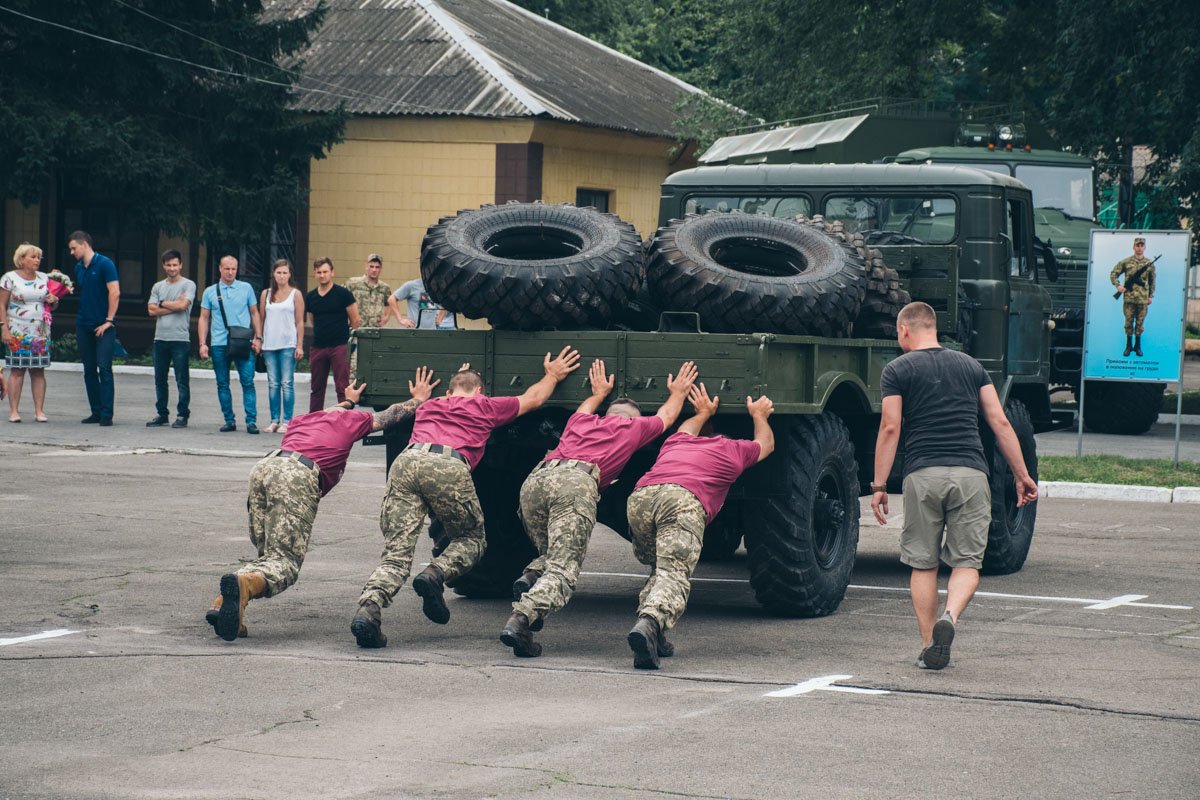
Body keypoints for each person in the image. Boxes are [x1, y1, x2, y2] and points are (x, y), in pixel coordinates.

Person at [351, 347, 581, 649]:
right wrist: (552, 374)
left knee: (396, 553)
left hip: (407, 461)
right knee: (471, 539)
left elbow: (399, 411)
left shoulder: (431, 404)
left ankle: (369, 610)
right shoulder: (485, 405)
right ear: (480, 390)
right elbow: (535, 398)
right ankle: (435, 573)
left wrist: (420, 395)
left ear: (448, 390)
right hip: (448, 464)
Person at [207, 369, 440, 642]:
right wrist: (417, 400)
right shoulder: (350, 421)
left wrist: (348, 401)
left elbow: (333, 411)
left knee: (268, 555)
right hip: (296, 475)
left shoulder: (304, 420)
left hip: (265, 466)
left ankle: (224, 604)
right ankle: (243, 586)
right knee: (284, 563)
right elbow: (388, 417)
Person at [870, 301, 1038, 671]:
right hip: (971, 474)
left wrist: (879, 483)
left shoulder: (896, 369)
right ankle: (950, 616)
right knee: (966, 563)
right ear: (934, 328)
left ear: (904, 330)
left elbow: (890, 427)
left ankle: (930, 643)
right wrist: (1022, 474)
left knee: (923, 564)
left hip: (922, 475)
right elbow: (1000, 422)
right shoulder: (971, 365)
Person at [500, 359, 698, 658]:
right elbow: (667, 416)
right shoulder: (634, 427)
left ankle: (530, 577)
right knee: (563, 569)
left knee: (553, 552)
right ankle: (522, 620)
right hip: (575, 483)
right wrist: (679, 391)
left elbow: (585, 406)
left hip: (537, 479)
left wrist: (598, 392)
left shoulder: (580, 421)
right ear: (632, 418)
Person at [624, 384, 774, 670]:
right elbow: (766, 444)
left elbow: (686, 427)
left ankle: (657, 636)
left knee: (661, 568)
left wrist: (703, 411)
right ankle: (650, 622)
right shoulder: (732, 450)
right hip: (680, 500)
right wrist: (760, 416)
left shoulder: (677, 442)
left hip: (641, 497)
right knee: (675, 574)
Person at [199, 255, 263, 434]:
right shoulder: (210, 291)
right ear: (220, 268)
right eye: (227, 268)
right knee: (222, 383)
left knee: (248, 382)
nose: (230, 272)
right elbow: (204, 318)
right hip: (219, 343)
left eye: (234, 268)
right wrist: (203, 343)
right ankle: (229, 420)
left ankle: (251, 421)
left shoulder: (246, 288)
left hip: (243, 342)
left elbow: (254, 313)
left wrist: (258, 338)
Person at [1, 243, 59, 423]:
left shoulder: (44, 278)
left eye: (38, 257)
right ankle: (14, 411)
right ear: (21, 259)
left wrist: (54, 300)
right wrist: (3, 328)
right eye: (33, 257)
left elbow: (52, 305)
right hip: (17, 330)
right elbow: (1, 304)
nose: (37, 260)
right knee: (17, 370)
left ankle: (39, 411)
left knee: (38, 371)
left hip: (40, 332)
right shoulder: (9, 278)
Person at [68, 231, 119, 426]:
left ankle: (107, 414)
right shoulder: (79, 268)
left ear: (85, 244)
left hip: (104, 324)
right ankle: (95, 412)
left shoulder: (105, 263)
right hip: (84, 324)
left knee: (104, 368)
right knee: (89, 369)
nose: (72, 252)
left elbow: (115, 292)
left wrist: (109, 320)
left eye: (74, 248)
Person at [145, 249, 196, 428]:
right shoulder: (158, 286)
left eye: (175, 264)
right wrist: (172, 305)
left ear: (181, 265)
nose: (172, 268)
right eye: (168, 265)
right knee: (160, 379)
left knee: (182, 380)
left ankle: (183, 415)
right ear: (163, 266)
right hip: (160, 339)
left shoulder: (188, 285)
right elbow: (150, 310)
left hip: (180, 339)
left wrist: (162, 303)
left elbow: (183, 305)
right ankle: (162, 414)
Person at [306, 257, 359, 411]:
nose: (322, 275)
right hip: (318, 347)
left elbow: (355, 320)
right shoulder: (311, 297)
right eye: (319, 272)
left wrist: (345, 338)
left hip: (339, 346)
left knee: (342, 388)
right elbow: (312, 320)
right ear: (315, 274)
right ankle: (313, 422)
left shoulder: (343, 294)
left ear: (332, 272)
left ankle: (344, 420)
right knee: (316, 389)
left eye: (325, 272)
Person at [259, 259, 305, 433]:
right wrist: (259, 339)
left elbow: (300, 321)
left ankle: (287, 421)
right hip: (269, 344)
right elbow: (262, 319)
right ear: (273, 274)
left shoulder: (296, 294)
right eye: (278, 272)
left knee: (287, 383)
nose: (282, 275)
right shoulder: (266, 294)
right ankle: (274, 420)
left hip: (288, 344)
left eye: (285, 272)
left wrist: (299, 345)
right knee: (273, 383)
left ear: (290, 274)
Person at [1110, 236, 1156, 357]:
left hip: (1143, 299)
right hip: (1129, 298)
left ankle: (1138, 347)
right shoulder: (1126, 262)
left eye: (1142, 246)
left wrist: (1150, 296)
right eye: (1137, 246)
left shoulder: (1149, 264)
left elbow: (1152, 281)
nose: (1139, 248)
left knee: (1140, 324)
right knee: (1129, 323)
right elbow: (1114, 273)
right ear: (1133, 247)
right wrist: (1118, 286)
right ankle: (1129, 346)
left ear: (1144, 247)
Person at [389, 277, 455, 330]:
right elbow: (391, 299)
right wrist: (401, 320)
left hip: (432, 332)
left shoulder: (437, 288)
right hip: (414, 332)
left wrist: (440, 317)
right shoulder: (412, 285)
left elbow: (446, 302)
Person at [345, 253, 392, 328]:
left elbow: (389, 302)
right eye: (371, 266)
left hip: (375, 330)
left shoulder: (384, 288)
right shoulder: (353, 283)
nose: (374, 270)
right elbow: (340, 298)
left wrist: (386, 317)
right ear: (366, 267)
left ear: (380, 269)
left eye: (377, 267)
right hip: (356, 330)